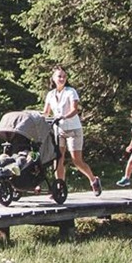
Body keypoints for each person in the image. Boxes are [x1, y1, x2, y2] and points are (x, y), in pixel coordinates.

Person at [43, 66, 102, 196]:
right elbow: (46, 112)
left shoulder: (71, 91)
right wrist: (38, 117)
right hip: (59, 129)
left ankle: (93, 180)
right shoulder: (50, 95)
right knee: (58, 159)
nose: (62, 79)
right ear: (53, 78)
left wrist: (64, 116)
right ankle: (59, 187)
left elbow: (74, 109)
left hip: (73, 129)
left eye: (64, 76)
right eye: (59, 76)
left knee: (76, 160)